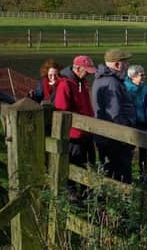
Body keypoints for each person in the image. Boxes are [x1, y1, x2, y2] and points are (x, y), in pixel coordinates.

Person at [54, 55, 97, 201]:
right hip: (74, 134)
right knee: (74, 162)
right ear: (78, 69)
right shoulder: (66, 84)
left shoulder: (82, 82)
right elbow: (62, 109)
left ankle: (87, 191)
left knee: (89, 162)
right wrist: (77, 125)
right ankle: (71, 192)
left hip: (87, 131)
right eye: (87, 71)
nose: (89, 74)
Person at [92, 48, 136, 183]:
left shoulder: (101, 79)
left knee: (109, 170)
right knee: (120, 172)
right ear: (117, 64)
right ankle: (123, 199)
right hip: (115, 137)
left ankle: (108, 198)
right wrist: (125, 134)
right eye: (125, 62)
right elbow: (115, 114)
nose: (127, 65)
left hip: (104, 134)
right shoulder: (112, 83)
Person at [124, 64, 147, 184]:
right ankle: (127, 176)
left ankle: (143, 176)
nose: (143, 77)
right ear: (132, 76)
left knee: (143, 152)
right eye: (141, 75)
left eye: (144, 74)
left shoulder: (145, 89)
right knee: (129, 153)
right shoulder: (126, 89)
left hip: (144, 125)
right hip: (132, 126)